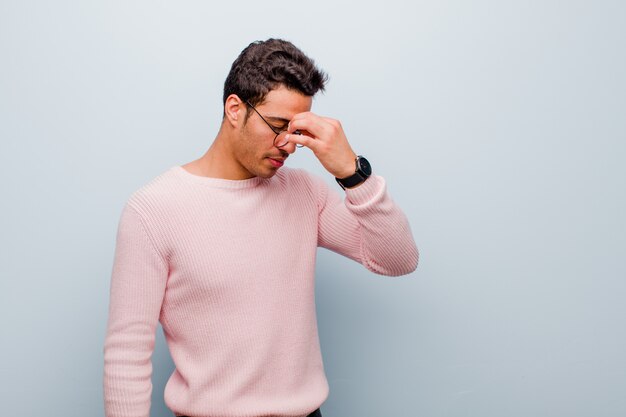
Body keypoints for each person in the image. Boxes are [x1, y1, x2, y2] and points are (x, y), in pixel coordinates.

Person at [103, 38, 419, 417]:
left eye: (297, 131)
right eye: (277, 125)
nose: (287, 143)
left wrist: (353, 173)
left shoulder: (305, 192)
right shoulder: (152, 209)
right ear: (234, 109)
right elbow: (127, 351)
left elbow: (398, 260)